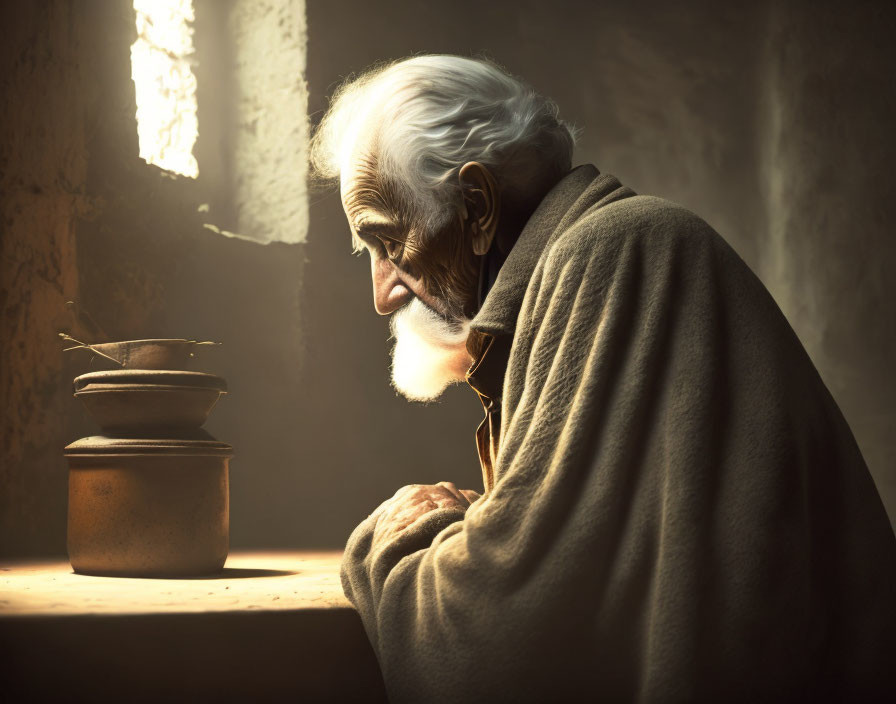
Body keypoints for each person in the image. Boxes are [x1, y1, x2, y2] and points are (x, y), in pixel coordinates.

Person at [310, 55, 896, 703]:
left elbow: (493, 639)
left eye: (389, 244)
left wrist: (394, 539)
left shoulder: (614, 253)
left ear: (476, 208)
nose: (383, 293)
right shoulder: (600, 255)